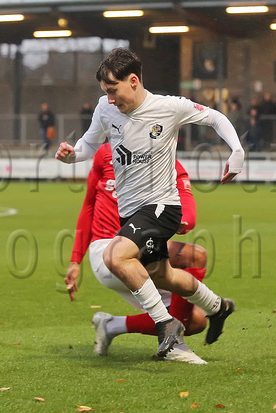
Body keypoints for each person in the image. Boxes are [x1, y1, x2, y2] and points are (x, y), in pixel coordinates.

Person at [56, 48, 244, 358]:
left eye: (114, 91)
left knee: (115, 257)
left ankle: (165, 325)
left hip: (161, 206)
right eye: (106, 92)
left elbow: (215, 118)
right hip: (131, 212)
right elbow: (88, 144)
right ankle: (218, 307)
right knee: (163, 276)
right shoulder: (105, 108)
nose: (110, 99)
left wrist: (237, 151)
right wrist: (71, 155)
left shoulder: (169, 107)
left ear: (133, 80)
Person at [65, 142, 209, 364]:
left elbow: (185, 195)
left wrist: (185, 221)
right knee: (194, 255)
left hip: (140, 249)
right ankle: (175, 345)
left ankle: (111, 326)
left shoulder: (163, 158)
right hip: (107, 250)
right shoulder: (106, 153)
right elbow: (89, 206)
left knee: (197, 321)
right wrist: (75, 260)